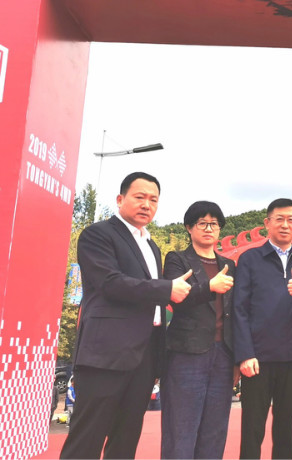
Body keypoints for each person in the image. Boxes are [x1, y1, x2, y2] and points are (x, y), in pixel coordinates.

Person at [60, 172, 192, 459]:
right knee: (87, 438)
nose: (146, 204)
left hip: (144, 357)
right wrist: (167, 288)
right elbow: (110, 283)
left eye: (153, 200)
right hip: (106, 355)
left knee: (126, 438)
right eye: (139, 197)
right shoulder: (97, 234)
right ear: (120, 199)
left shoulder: (151, 246)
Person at [233, 198, 292, 459]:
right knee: (252, 427)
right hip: (257, 358)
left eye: (291, 220)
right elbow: (239, 309)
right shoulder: (250, 258)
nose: (285, 225)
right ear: (267, 223)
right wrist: (245, 354)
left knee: (286, 428)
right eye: (279, 219)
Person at [160, 201, 237, 459]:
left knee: (215, 430)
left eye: (214, 223)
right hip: (186, 353)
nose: (208, 228)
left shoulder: (229, 264)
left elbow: (235, 312)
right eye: (202, 223)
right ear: (189, 228)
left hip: (223, 355)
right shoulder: (177, 260)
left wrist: (238, 356)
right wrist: (209, 287)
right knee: (181, 429)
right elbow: (175, 299)